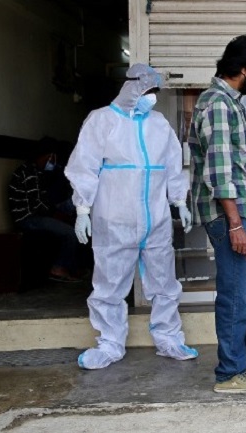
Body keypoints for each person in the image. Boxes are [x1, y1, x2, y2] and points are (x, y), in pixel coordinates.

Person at [65, 63, 197, 370]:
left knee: (164, 283)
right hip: (114, 220)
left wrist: (179, 202)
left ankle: (168, 339)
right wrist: (82, 209)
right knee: (109, 285)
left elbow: (172, 164)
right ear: (132, 88)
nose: (152, 97)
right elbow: (84, 166)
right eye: (148, 91)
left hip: (156, 219)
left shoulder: (159, 123)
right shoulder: (102, 120)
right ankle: (109, 343)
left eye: (155, 92)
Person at [187, 35, 246, 394]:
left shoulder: (229, 103)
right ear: (243, 70)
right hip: (231, 216)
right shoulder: (218, 106)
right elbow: (220, 172)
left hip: (243, 213)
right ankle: (229, 372)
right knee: (236, 293)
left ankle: (244, 357)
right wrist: (235, 223)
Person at [9, 144, 82, 283]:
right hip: (28, 219)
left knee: (73, 225)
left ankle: (72, 268)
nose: (52, 163)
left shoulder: (35, 172)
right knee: (71, 233)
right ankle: (58, 268)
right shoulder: (28, 173)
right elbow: (37, 205)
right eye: (51, 159)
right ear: (46, 156)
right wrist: (56, 214)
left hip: (35, 216)